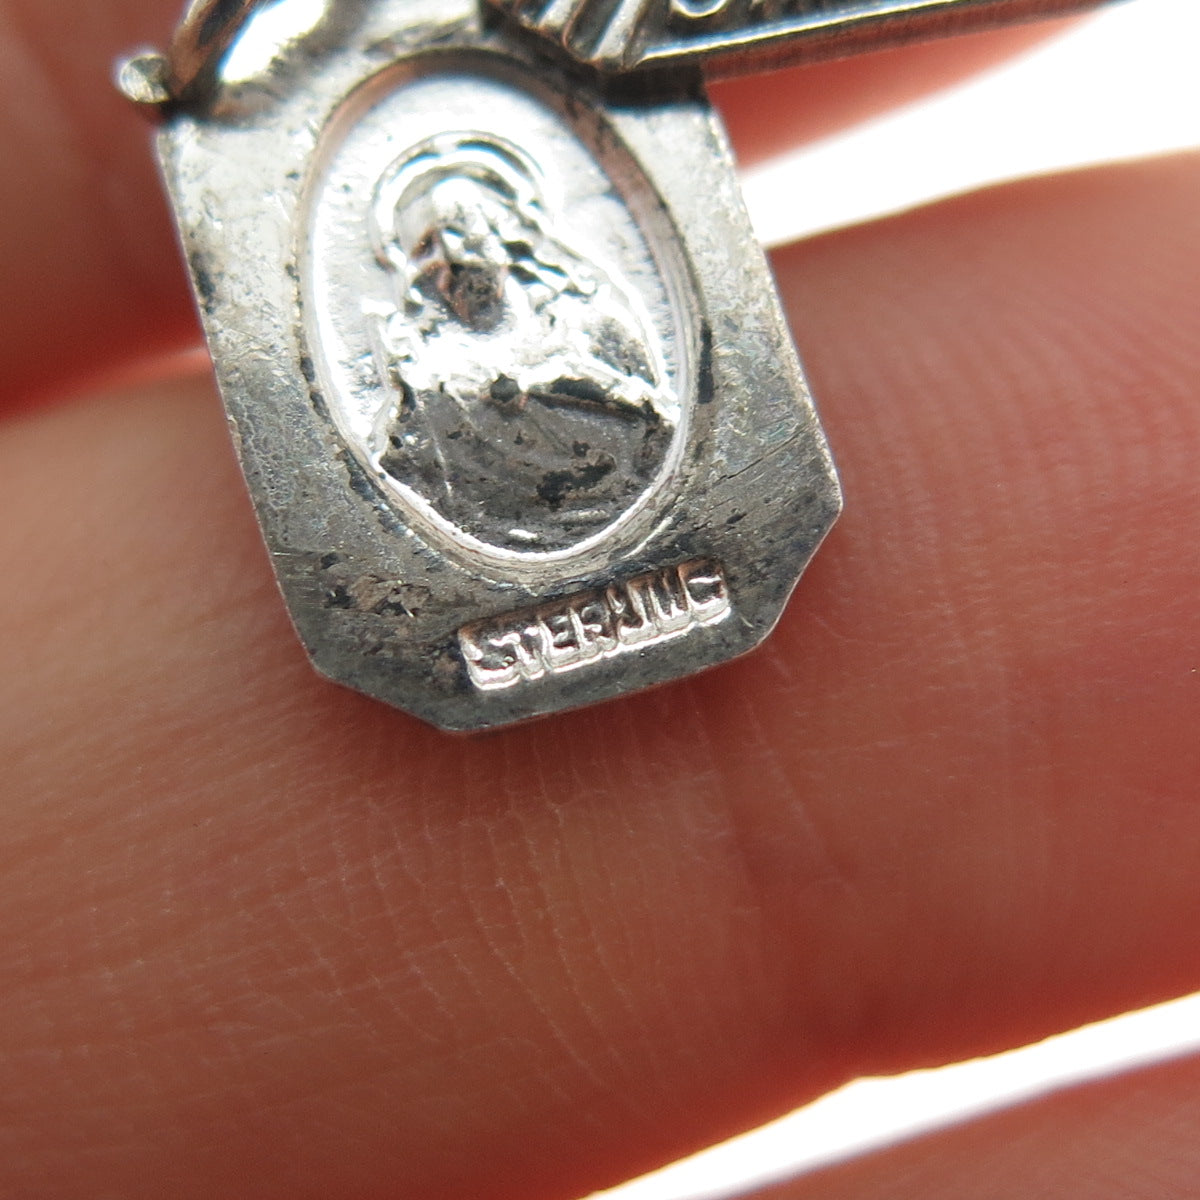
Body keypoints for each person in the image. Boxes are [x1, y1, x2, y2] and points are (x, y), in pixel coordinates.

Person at [1, 2, 1198, 1197]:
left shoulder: (586, 314)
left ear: (514, 222)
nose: (461, 252)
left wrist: (559, 398)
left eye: (477, 225)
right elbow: (416, 450)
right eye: (437, 241)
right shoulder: (417, 374)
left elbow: (630, 403)